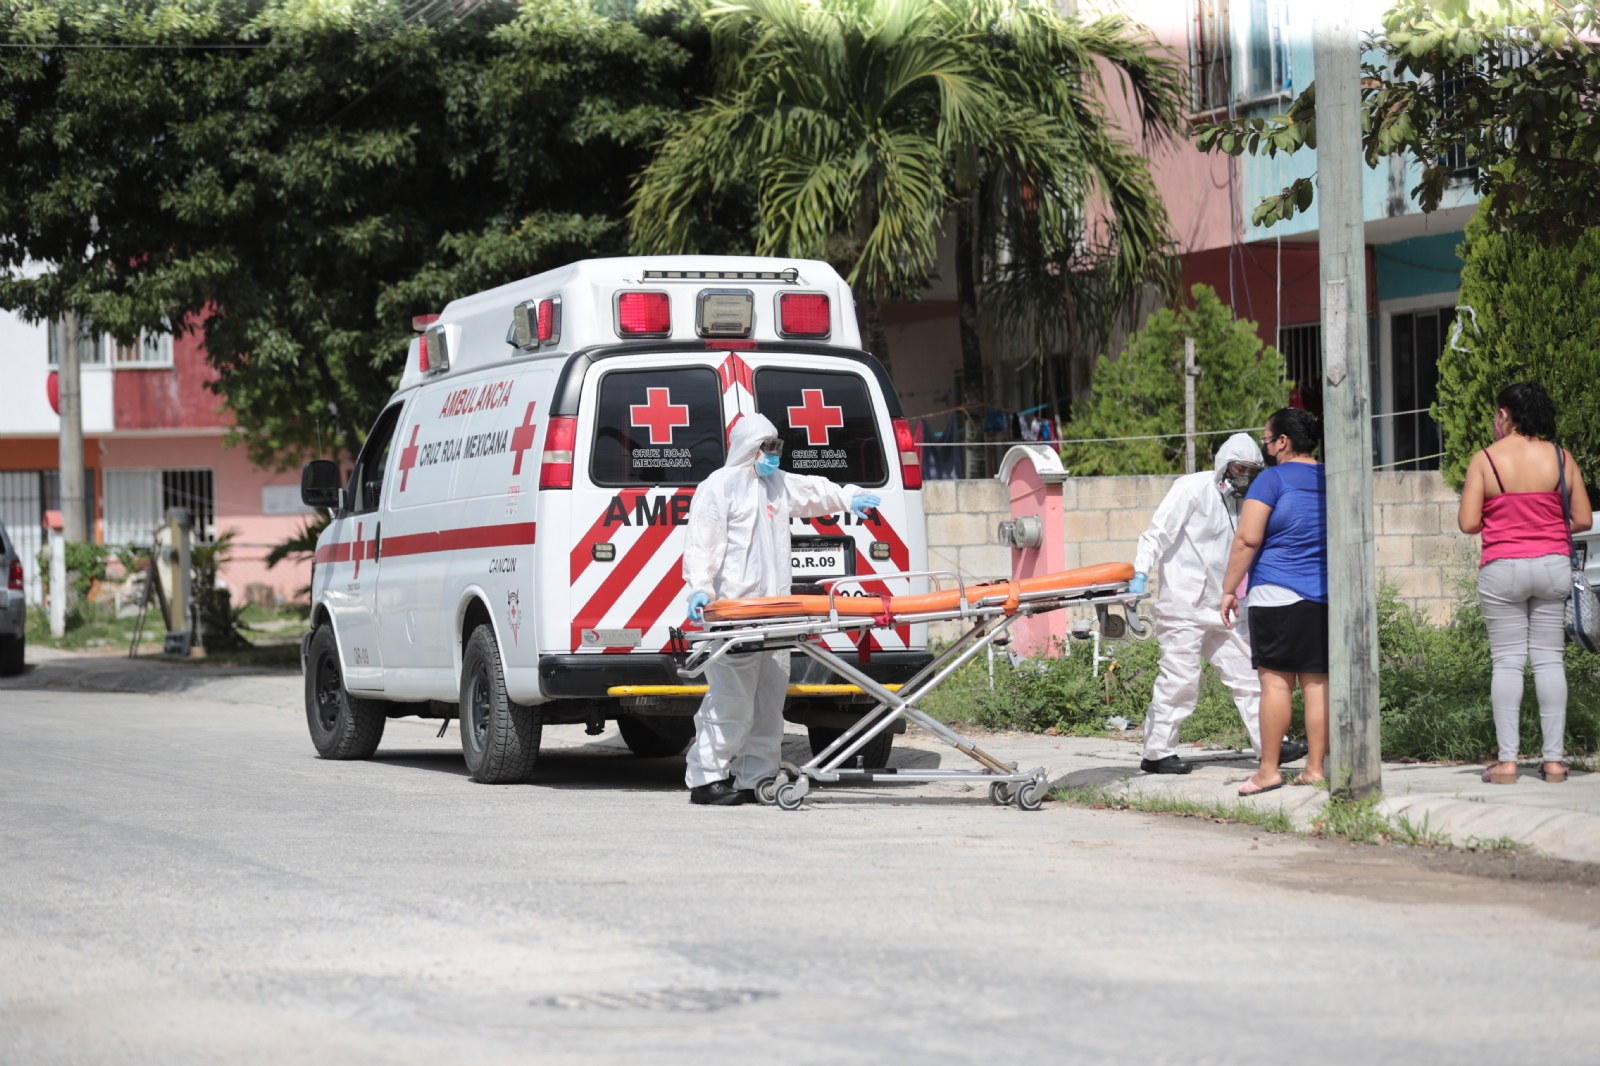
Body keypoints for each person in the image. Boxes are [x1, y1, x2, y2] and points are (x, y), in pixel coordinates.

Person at [680, 414, 881, 806]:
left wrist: (848, 496)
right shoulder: (719, 488)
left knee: (769, 701)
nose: (773, 454)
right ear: (748, 448)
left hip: (776, 612)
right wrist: (700, 589)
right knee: (730, 700)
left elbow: (813, 491)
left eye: (776, 447)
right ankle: (706, 780)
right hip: (736, 613)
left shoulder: (776, 484)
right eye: (766, 447)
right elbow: (702, 543)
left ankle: (756, 777)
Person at [1132, 433, 1296, 773]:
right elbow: (1157, 534)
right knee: (1180, 681)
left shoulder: (1243, 505)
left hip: (1224, 607)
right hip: (1183, 605)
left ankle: (1272, 746)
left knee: (1250, 675)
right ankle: (1157, 753)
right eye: (1238, 468)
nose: (1242, 477)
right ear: (1223, 464)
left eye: (1250, 471)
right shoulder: (1190, 488)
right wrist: (1138, 574)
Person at [1457, 382, 1592, 784]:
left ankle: (1508, 762)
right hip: (1551, 566)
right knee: (1550, 660)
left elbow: (1468, 523)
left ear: (1505, 414)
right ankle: (1553, 762)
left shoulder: (1485, 460)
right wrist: (1544, 523)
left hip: (1502, 568)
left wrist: (1505, 520)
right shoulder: (1560, 457)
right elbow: (1583, 519)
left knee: (1508, 661)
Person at [1221, 408, 1328, 796]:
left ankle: (1269, 770)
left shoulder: (1272, 479)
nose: (1266, 448)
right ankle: (1315, 768)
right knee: (1317, 683)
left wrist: (1230, 588)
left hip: (1277, 595)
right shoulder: (1331, 478)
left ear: (1283, 441)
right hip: (1324, 597)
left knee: (1276, 686)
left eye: (1267, 440)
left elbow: (1247, 539)